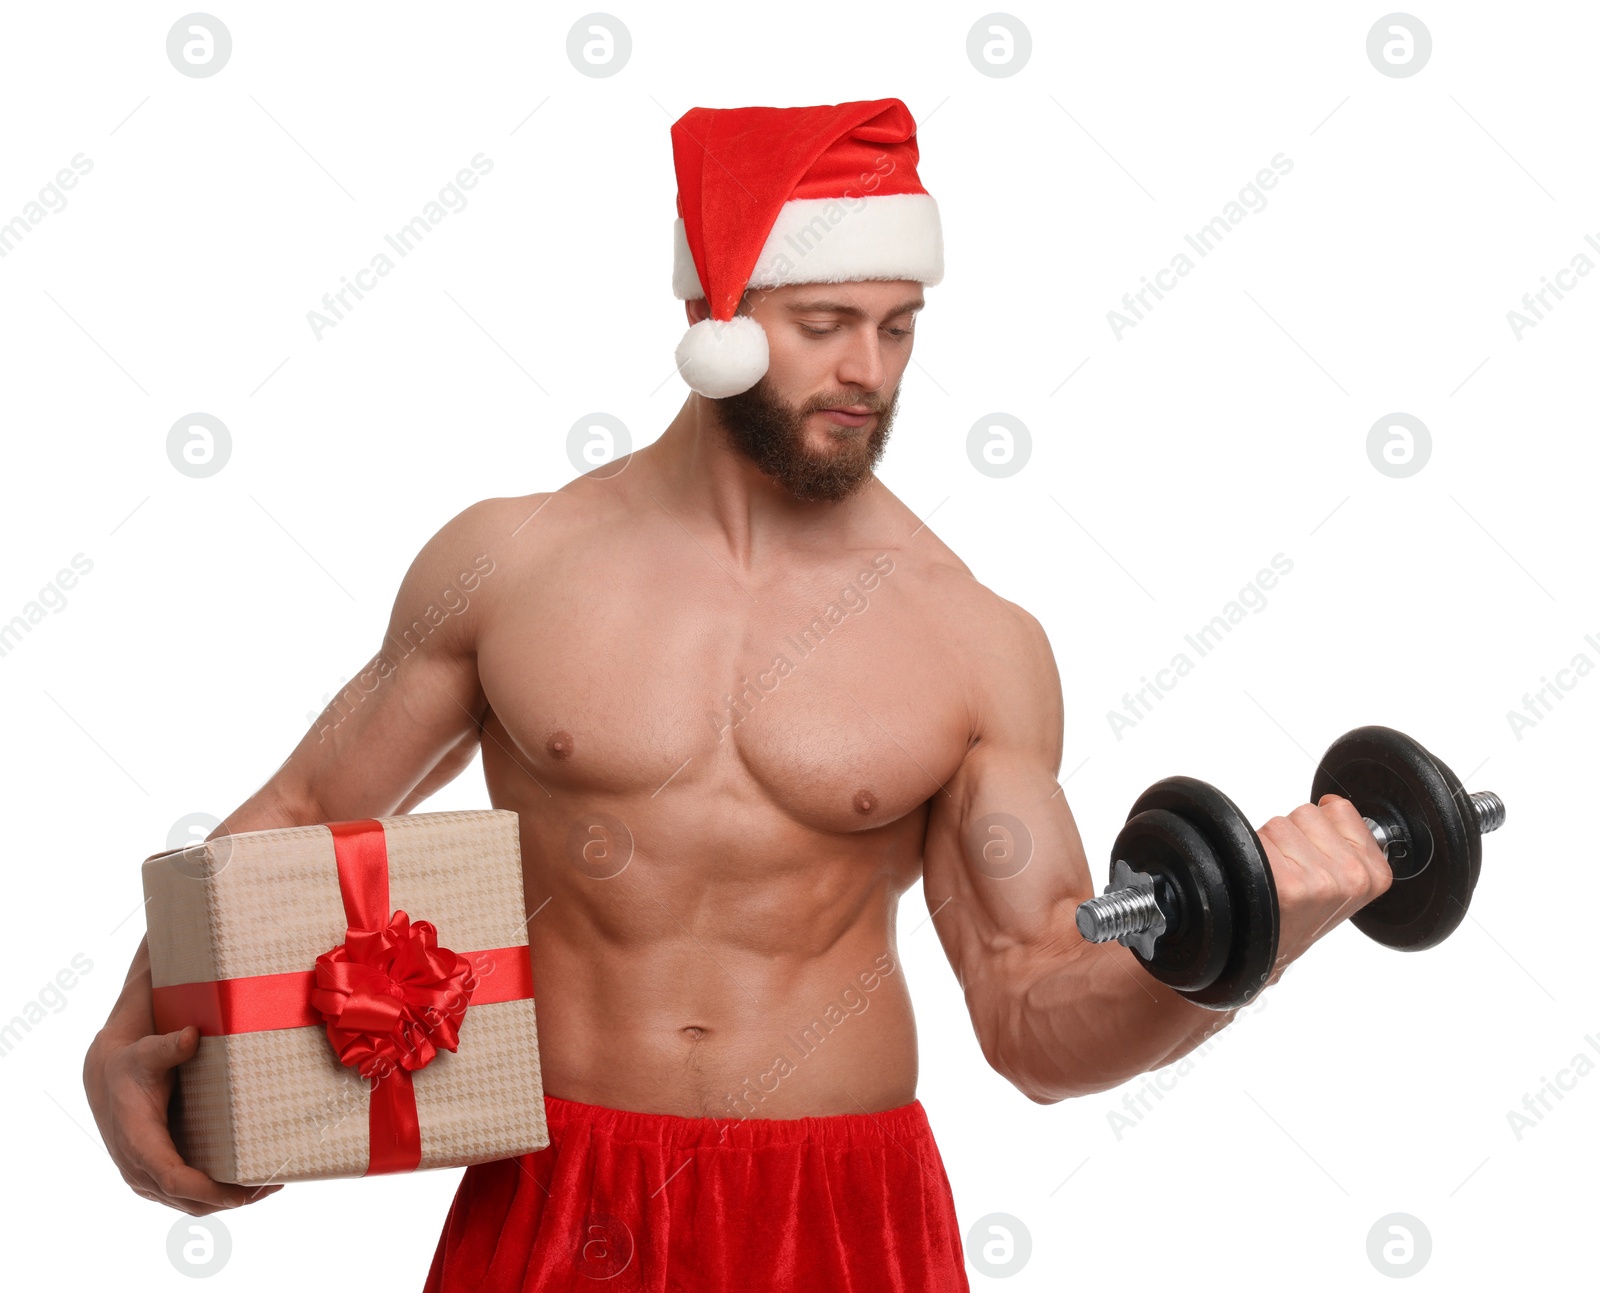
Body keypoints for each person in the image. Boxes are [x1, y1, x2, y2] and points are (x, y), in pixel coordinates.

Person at [83, 97, 1393, 1292]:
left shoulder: (972, 638)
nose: (867, 373)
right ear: (715, 314)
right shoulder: (510, 563)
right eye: (824, 326)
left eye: (897, 328)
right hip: (559, 1189)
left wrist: (1249, 936)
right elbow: (310, 805)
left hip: (839, 1205)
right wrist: (128, 1034)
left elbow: (1035, 1015)